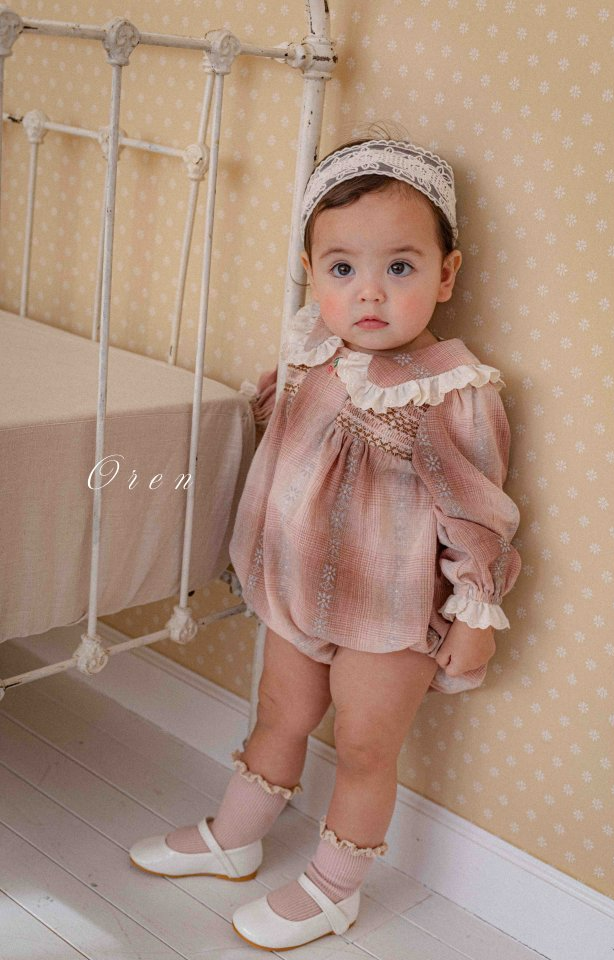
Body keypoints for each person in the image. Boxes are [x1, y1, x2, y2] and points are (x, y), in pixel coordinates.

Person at [129, 137, 522, 951]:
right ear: (312, 274)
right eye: (343, 268)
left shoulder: (450, 389)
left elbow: (476, 510)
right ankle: (236, 836)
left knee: (364, 745)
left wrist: (476, 608)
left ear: (447, 274)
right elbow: (285, 443)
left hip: (387, 612)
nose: (368, 291)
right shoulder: (311, 352)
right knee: (281, 711)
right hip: (296, 590)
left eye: (400, 267)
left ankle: (334, 887)